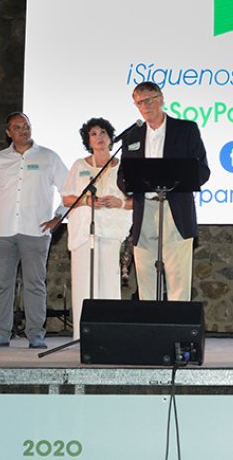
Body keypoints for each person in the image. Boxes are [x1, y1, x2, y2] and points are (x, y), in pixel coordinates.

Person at [0, 112, 68, 348]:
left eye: (26, 126)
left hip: (35, 231)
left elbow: (70, 190)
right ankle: (1, 332)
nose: (23, 130)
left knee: (35, 283)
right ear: (9, 133)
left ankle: (36, 333)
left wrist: (58, 216)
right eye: (17, 127)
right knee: (2, 283)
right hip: (2, 231)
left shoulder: (49, 157)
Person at [117, 82, 210, 302]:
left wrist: (178, 179)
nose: (145, 105)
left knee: (178, 273)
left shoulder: (185, 129)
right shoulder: (132, 136)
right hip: (145, 208)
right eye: (139, 102)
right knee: (145, 271)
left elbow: (202, 170)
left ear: (161, 99)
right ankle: (150, 326)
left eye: (149, 99)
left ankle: (178, 326)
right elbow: (123, 175)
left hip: (175, 207)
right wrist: (128, 183)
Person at [62, 117, 133, 338]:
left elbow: (138, 201)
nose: (99, 137)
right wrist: (86, 201)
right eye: (93, 134)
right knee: (84, 282)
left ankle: (111, 335)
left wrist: (119, 202)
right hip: (85, 232)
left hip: (112, 233)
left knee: (109, 284)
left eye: (103, 132)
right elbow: (66, 198)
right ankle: (83, 336)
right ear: (88, 140)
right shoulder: (79, 165)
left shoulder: (124, 166)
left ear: (111, 137)